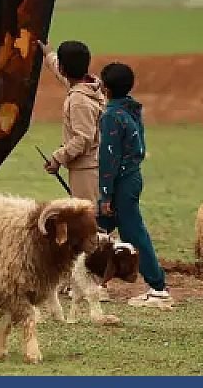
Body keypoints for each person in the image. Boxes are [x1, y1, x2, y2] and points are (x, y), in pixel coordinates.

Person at [96, 62, 171, 308]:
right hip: (132, 176)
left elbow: (109, 158)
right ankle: (95, 283)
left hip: (121, 182)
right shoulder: (131, 108)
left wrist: (106, 195)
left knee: (133, 233)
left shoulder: (111, 116)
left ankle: (158, 288)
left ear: (106, 88)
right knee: (99, 227)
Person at [38, 40, 105, 204]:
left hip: (86, 170)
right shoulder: (90, 86)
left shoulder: (78, 100)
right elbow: (64, 75)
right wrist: (49, 54)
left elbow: (83, 139)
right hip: (94, 164)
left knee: (88, 215)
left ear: (63, 68)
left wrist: (57, 158)